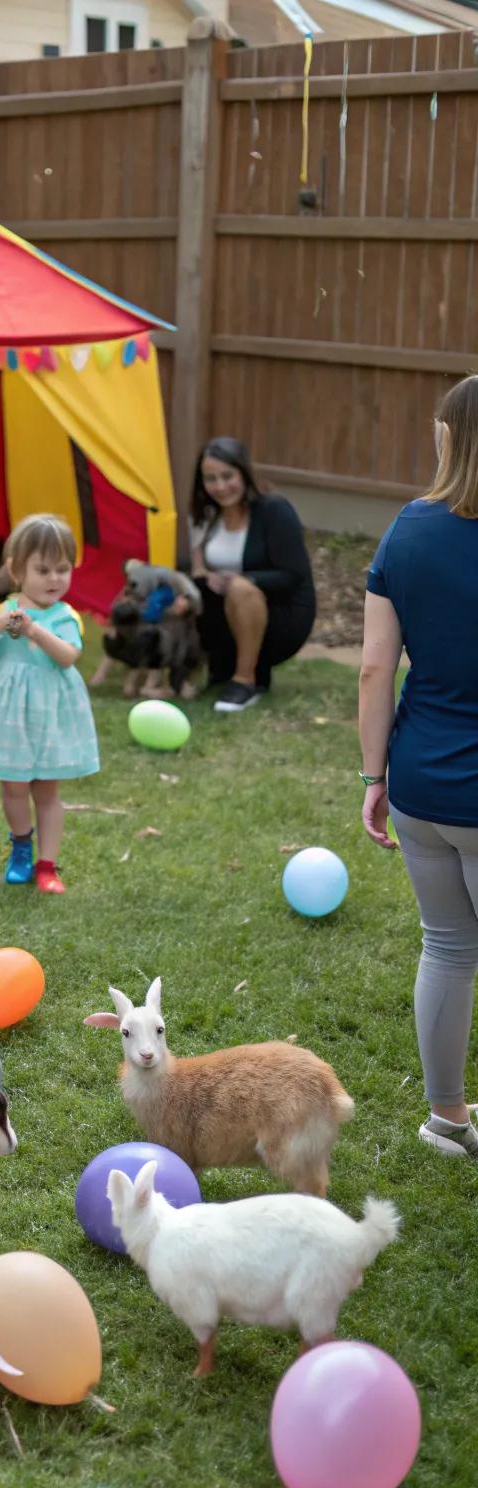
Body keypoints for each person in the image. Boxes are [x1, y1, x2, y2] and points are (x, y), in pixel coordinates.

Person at [359, 375, 478, 1161]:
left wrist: (375, 778)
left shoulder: (408, 527)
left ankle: (446, 1120)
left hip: (421, 781)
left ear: (448, 437)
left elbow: (374, 669)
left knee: (446, 947)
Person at [0, 513, 99, 894]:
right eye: (43, 570)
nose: (54, 579)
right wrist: (5, 620)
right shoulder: (0, 612)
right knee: (13, 789)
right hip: (10, 720)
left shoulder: (64, 616)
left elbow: (68, 656)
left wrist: (35, 630)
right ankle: (21, 846)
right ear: (16, 569)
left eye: (62, 569)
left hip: (51, 718)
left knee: (47, 791)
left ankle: (47, 865)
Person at [190, 438, 316, 714]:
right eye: (210, 479)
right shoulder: (208, 516)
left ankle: (246, 680)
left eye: (227, 476)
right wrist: (205, 577)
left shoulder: (274, 509)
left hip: (280, 614)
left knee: (240, 588)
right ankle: (192, 672)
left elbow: (293, 576)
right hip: (225, 612)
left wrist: (241, 580)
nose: (220, 486)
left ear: (243, 473)